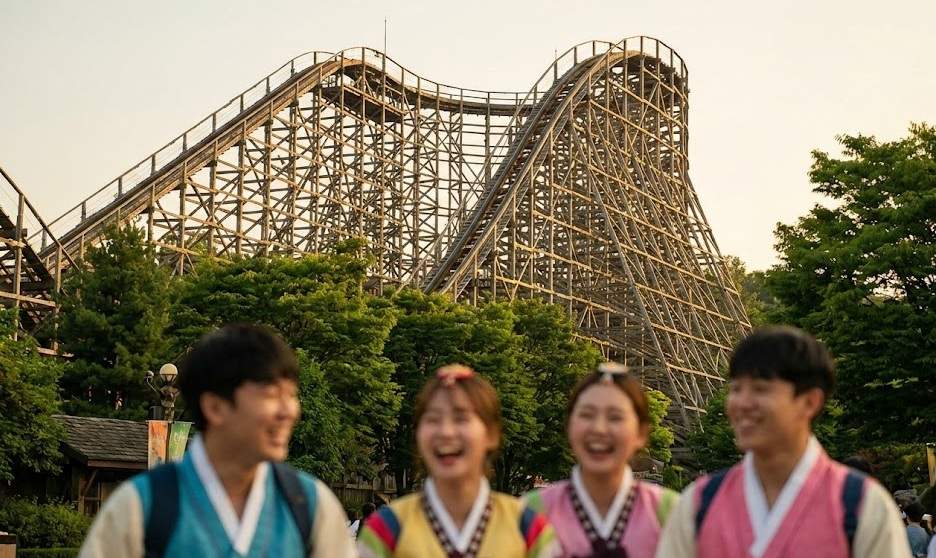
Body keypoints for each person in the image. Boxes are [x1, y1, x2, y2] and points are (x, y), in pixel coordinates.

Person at [78, 324, 355, 557]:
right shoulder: (141, 507)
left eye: (291, 395)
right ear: (215, 407)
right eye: (272, 395)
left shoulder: (309, 504)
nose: (290, 411)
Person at [656, 326, 911, 558]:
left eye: (760, 389)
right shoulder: (699, 504)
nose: (742, 404)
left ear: (810, 401)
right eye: (735, 389)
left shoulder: (862, 506)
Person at [357, 364, 559, 557]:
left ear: (491, 434)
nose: (446, 432)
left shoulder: (528, 527)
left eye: (461, 418)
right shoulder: (386, 528)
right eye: (433, 419)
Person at [524, 362, 678, 557]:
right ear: (569, 426)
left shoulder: (672, 512)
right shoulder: (529, 512)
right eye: (586, 415)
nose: (599, 429)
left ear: (641, 432)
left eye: (615, 417)